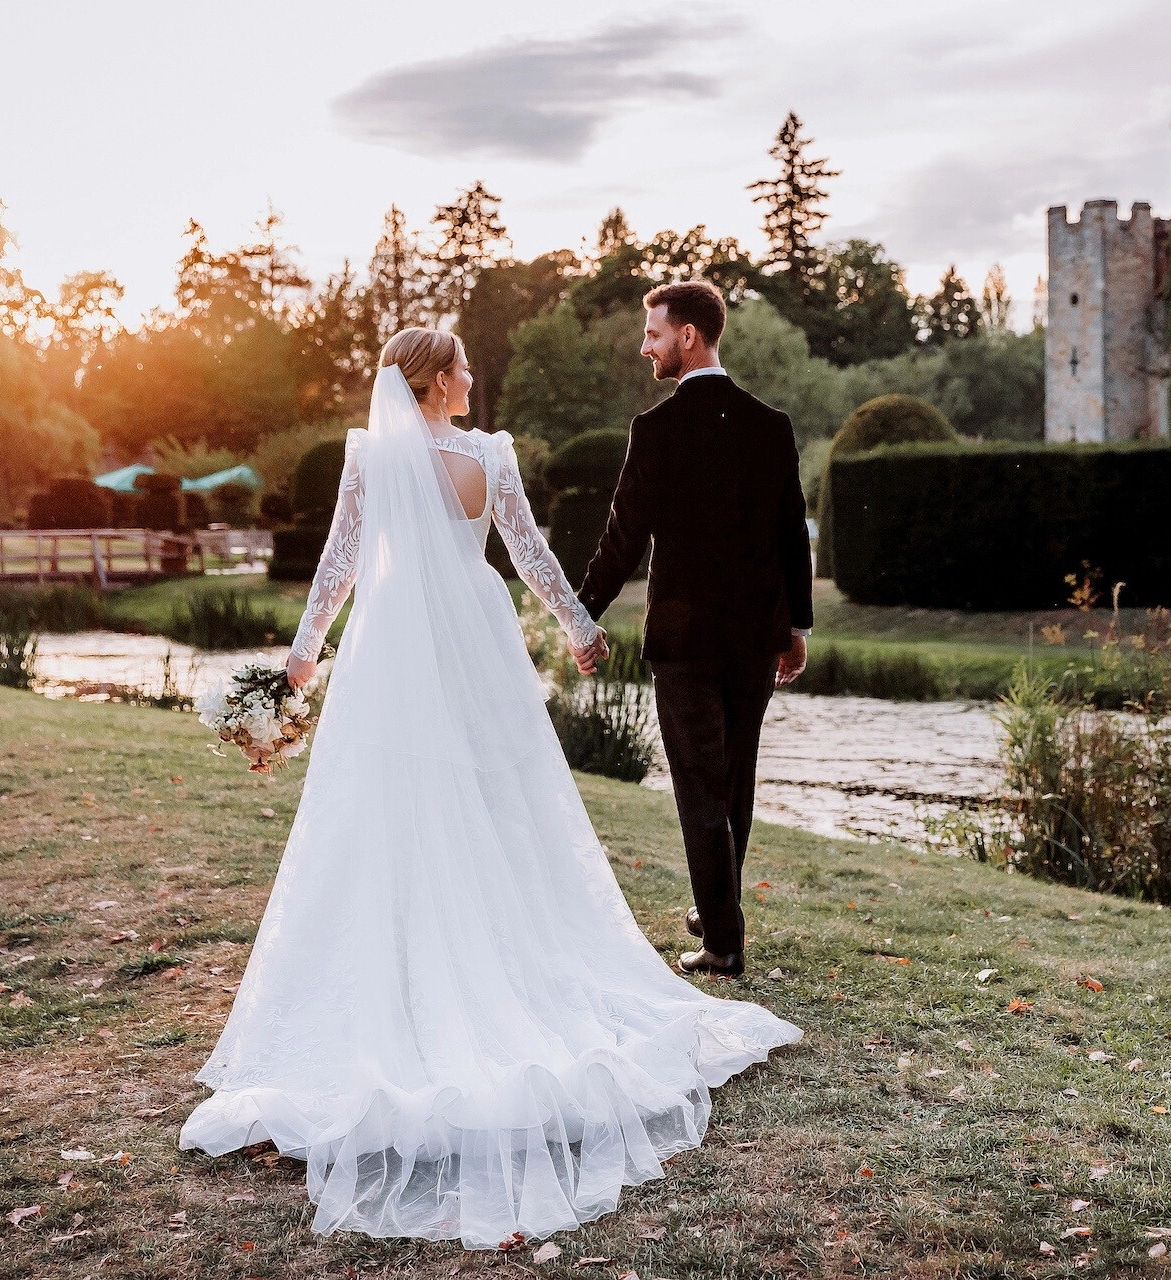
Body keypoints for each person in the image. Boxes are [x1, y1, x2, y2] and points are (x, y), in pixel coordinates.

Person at [177, 328, 801, 1249]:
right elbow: (530, 555)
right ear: (437, 382)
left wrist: (303, 657)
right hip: (472, 640)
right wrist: (580, 626)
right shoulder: (486, 458)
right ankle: (476, 948)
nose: (473, 378)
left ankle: (420, 953)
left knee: (389, 808)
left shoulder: (373, 458)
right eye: (463, 367)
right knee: (498, 803)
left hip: (394, 642)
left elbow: (340, 564)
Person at [576, 280, 814, 978]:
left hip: (685, 641)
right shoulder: (770, 425)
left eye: (653, 334)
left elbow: (622, 538)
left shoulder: (655, 430)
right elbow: (790, 536)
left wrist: (583, 613)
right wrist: (795, 625)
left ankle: (722, 944)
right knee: (734, 778)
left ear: (688, 336)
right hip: (754, 635)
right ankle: (718, 912)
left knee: (699, 786)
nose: (644, 347)